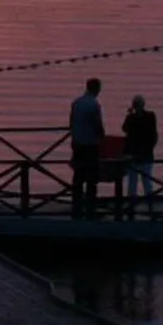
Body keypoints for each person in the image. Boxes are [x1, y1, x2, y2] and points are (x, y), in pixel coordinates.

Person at [68, 77, 105, 219]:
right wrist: (102, 137)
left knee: (77, 178)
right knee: (91, 180)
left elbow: (71, 123)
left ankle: (76, 208)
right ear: (96, 89)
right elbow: (97, 125)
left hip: (77, 145)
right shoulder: (94, 105)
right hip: (90, 146)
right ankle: (90, 210)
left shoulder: (76, 103)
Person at [121, 93, 158, 218]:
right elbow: (153, 135)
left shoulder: (133, 118)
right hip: (144, 154)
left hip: (136, 154)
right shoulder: (150, 116)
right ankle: (149, 207)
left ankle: (133, 207)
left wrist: (130, 113)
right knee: (145, 181)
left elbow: (125, 129)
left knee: (135, 181)